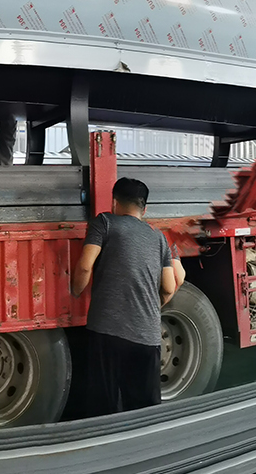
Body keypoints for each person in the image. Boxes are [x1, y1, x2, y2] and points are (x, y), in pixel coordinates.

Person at [71, 175, 178, 415]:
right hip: (147, 336)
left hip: (107, 330)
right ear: (144, 209)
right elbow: (169, 287)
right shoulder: (159, 238)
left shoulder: (105, 222)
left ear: (114, 203)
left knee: (103, 407)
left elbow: (85, 266)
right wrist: (150, 309)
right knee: (144, 411)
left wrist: (75, 291)